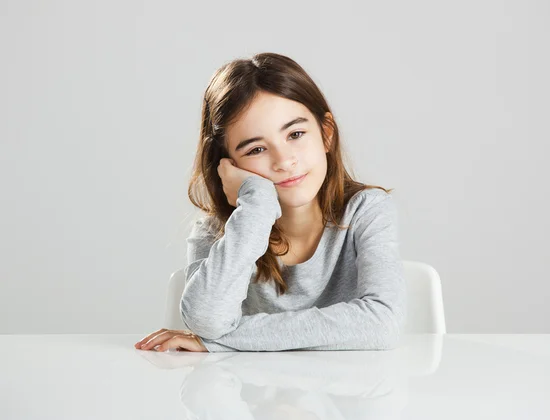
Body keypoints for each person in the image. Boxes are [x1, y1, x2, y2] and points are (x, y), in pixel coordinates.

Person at [134, 52, 406, 353]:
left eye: (296, 134)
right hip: (249, 393)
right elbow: (205, 319)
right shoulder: (216, 231)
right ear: (227, 166)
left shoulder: (366, 211)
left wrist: (223, 340)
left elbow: (382, 324)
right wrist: (257, 202)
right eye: (256, 149)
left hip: (345, 392)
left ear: (326, 134)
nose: (284, 161)